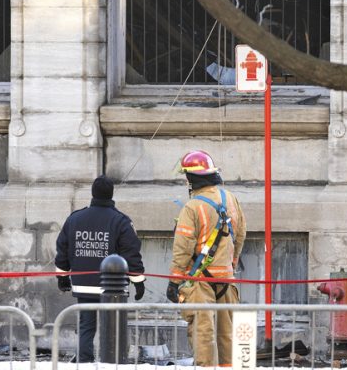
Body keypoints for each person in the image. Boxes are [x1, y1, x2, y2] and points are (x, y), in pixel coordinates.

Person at [166, 150, 247, 367]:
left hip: (200, 281)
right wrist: (232, 261)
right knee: (227, 334)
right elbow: (240, 235)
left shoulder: (192, 207)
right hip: (227, 281)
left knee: (203, 333)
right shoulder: (231, 199)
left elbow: (182, 249)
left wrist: (174, 282)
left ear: (191, 178)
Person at [55, 175, 146, 363]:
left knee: (86, 325)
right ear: (111, 194)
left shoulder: (75, 218)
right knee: (113, 327)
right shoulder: (121, 221)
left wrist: (62, 277)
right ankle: (113, 361)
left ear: (93, 193)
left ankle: (84, 361)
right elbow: (131, 253)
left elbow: (63, 248)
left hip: (84, 285)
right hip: (112, 288)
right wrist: (138, 282)